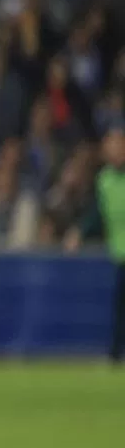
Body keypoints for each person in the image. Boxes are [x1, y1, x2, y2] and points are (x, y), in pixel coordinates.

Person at [94, 128, 125, 364]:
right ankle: (115, 355)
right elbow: (96, 213)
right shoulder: (104, 179)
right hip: (119, 252)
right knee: (119, 309)